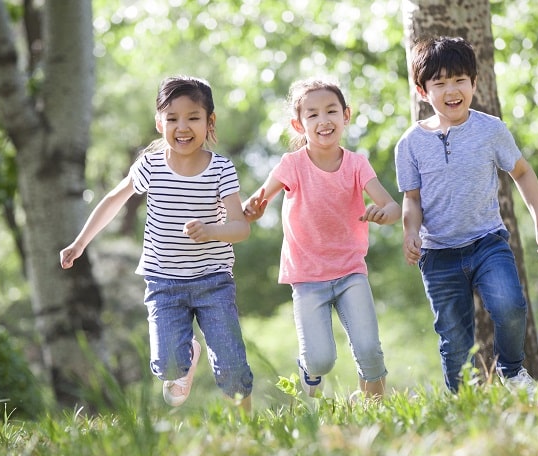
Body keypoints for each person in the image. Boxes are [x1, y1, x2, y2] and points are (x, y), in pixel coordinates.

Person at [60, 76, 254, 411]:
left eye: (193, 117)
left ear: (210, 122)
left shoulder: (221, 170)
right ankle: (186, 357)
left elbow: (240, 227)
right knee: (167, 366)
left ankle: (248, 434)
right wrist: (80, 243)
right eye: (172, 118)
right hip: (164, 283)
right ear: (159, 122)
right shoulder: (151, 165)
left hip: (213, 281)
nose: (182, 126)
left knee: (233, 369)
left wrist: (212, 230)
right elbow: (112, 201)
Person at [394, 36, 538, 394]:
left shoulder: (490, 130)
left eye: (459, 81)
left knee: (511, 306)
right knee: (454, 341)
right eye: (439, 83)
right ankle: (463, 401)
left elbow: (524, 173)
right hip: (438, 255)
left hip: (487, 242)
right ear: (423, 91)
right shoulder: (409, 144)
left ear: (474, 83)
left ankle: (512, 371)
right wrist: (410, 233)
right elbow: (411, 199)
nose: (451, 90)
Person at [243, 78, 401, 400]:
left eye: (331, 111)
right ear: (298, 125)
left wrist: (384, 213)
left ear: (346, 115)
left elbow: (393, 206)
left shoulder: (357, 164)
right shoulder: (292, 165)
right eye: (312, 115)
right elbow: (257, 201)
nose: (323, 120)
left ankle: (374, 407)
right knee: (320, 360)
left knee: (369, 350)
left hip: (350, 271)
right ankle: (308, 367)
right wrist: (251, 210)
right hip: (307, 277)